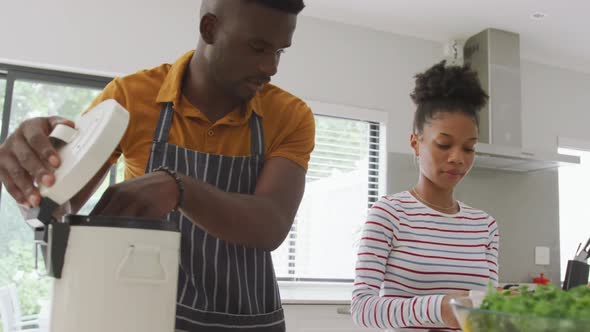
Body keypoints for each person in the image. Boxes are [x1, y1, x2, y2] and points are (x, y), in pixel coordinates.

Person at [0, 0, 314, 331]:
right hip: (142, 311)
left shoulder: (290, 116)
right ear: (210, 28)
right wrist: (38, 174)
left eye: (280, 52)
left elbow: (270, 224)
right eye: (258, 47)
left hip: (247, 319)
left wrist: (177, 186)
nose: (271, 67)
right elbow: (60, 206)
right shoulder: (129, 98)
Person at [351, 61, 499, 331]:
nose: (457, 158)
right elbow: (363, 308)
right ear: (415, 143)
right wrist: (439, 309)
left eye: (469, 148)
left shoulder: (485, 225)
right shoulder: (389, 213)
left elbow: (486, 310)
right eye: (444, 144)